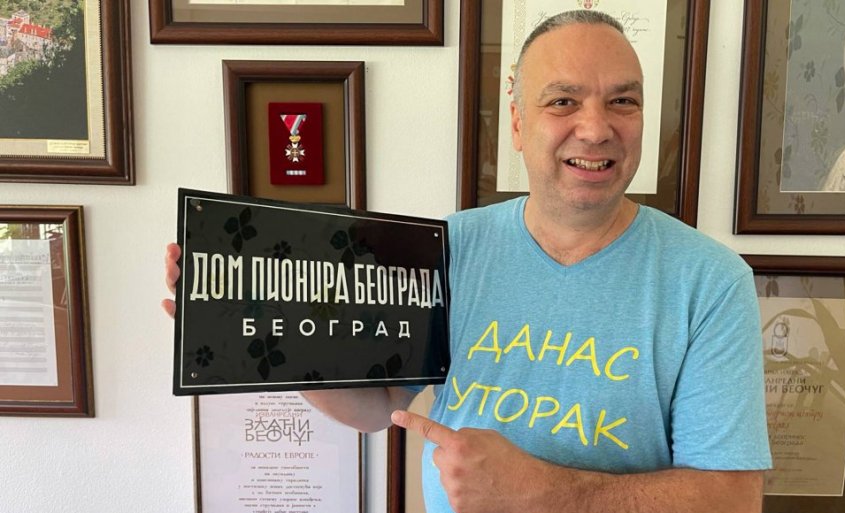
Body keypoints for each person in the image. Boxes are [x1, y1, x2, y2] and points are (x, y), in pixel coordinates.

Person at [164, 10, 771, 512]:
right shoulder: (446, 247)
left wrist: (547, 495)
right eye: (563, 101)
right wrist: (281, 343)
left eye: (623, 101)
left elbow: (733, 498)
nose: (595, 128)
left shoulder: (710, 281)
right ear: (518, 122)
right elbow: (378, 405)